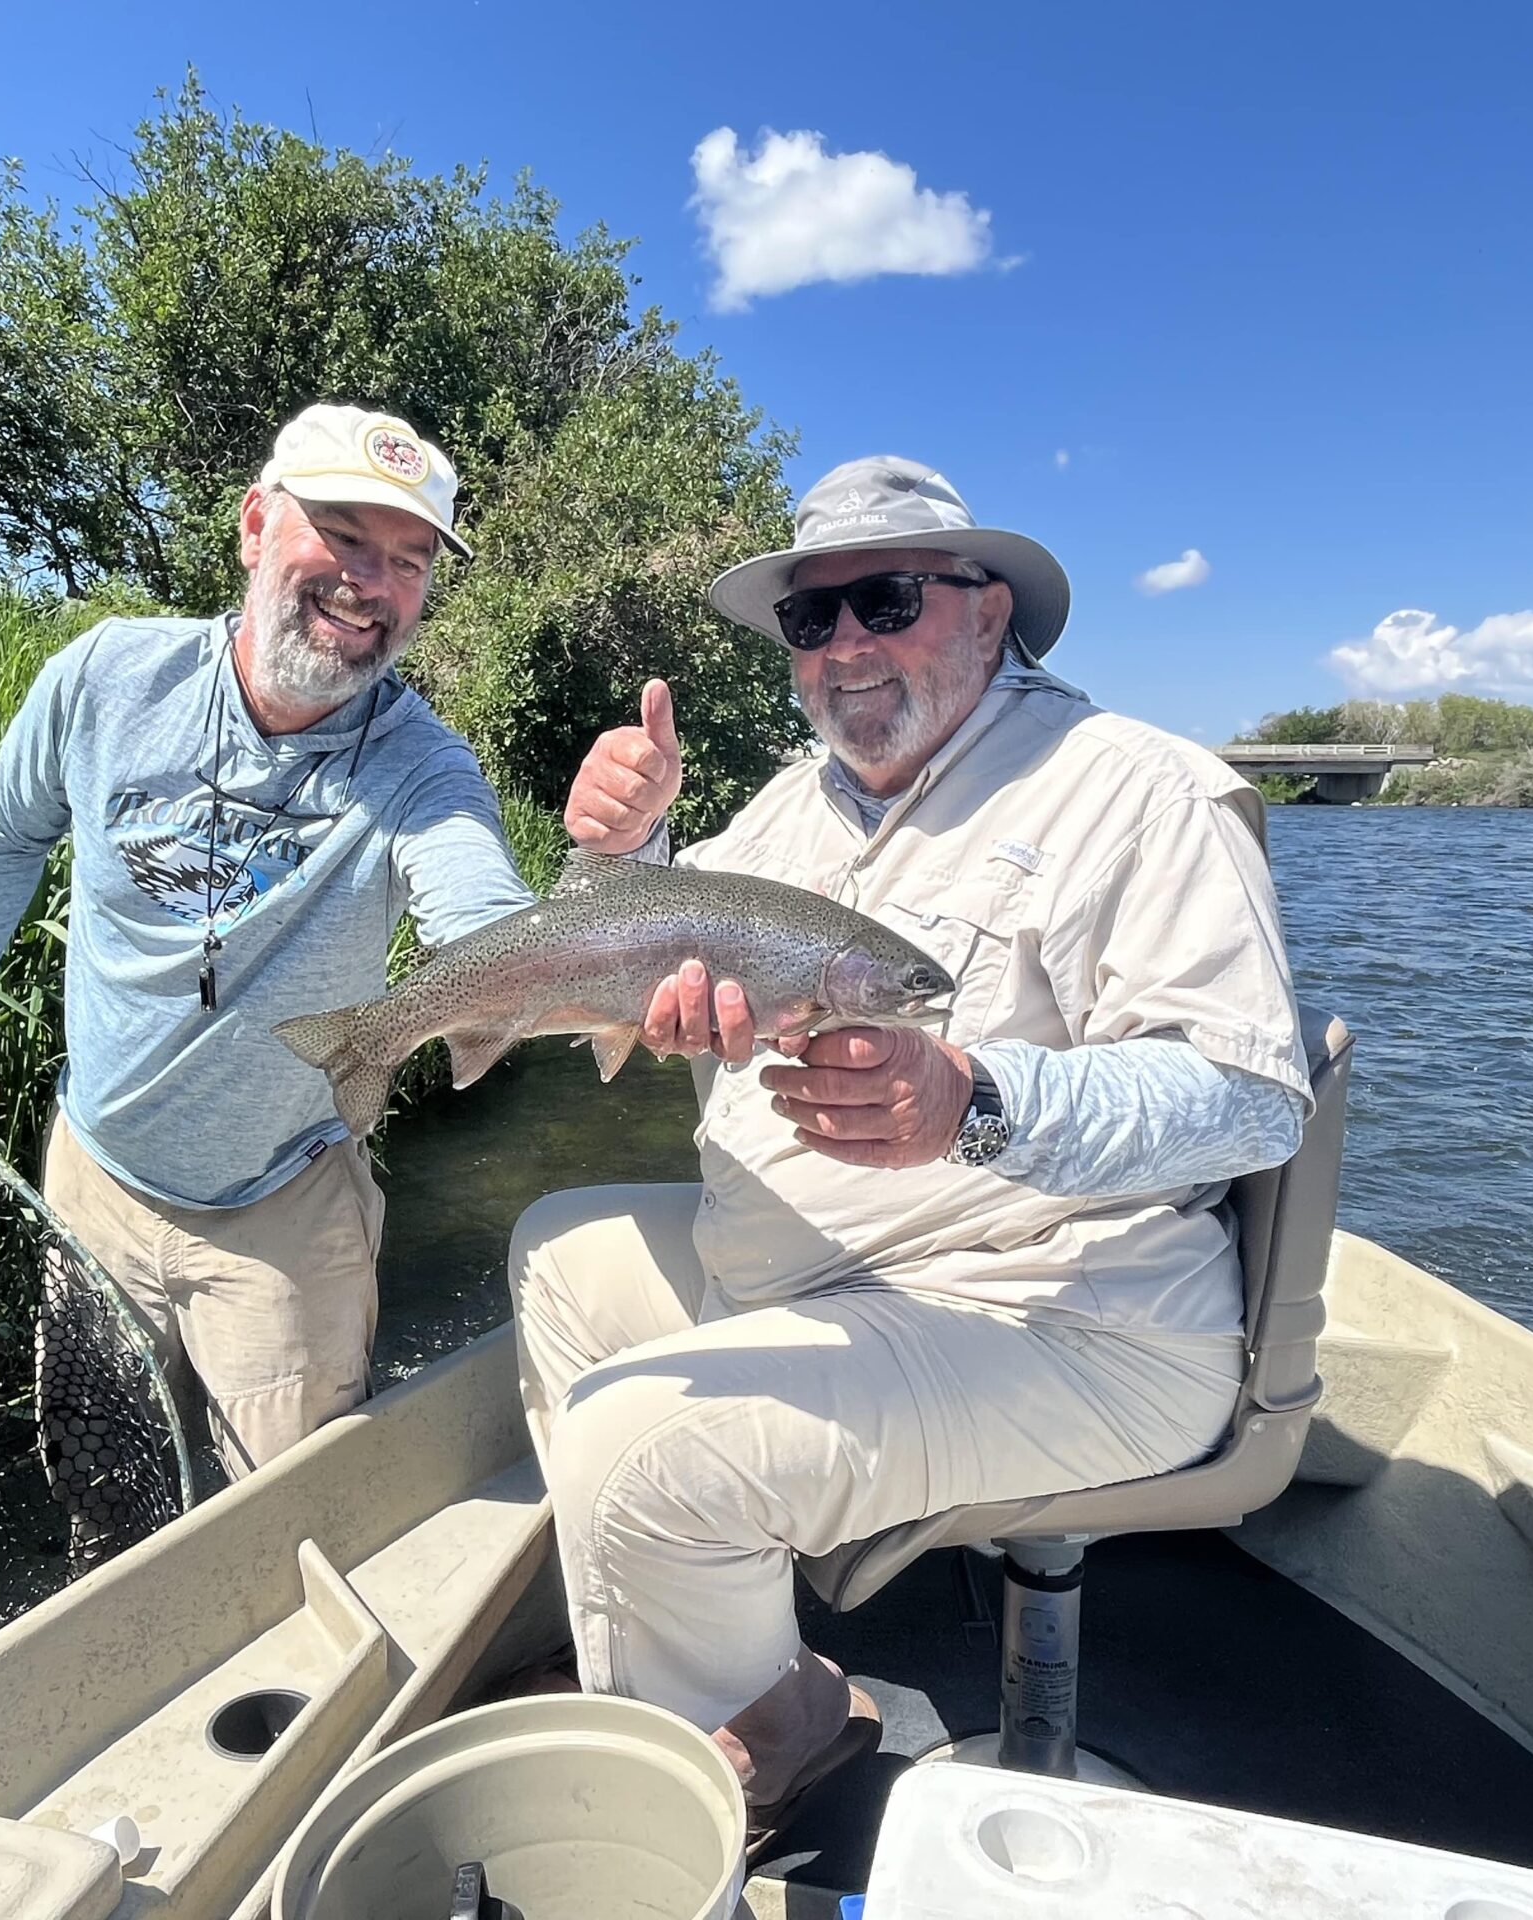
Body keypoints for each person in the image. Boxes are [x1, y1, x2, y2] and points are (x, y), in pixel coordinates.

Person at [519, 455, 1313, 1843]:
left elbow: (1252, 1098)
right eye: (809, 622)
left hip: (1064, 1316)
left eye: (882, 602)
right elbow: (623, 960)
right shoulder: (786, 810)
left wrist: (980, 1100)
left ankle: (690, 1799)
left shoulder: (1141, 792)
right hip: (823, 1272)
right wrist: (619, 858)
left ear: (989, 613)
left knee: (635, 1449)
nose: (844, 649)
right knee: (561, 1255)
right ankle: (770, 1695)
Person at [0, 404, 536, 1477]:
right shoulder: (106, 679)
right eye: (340, 534)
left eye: (408, 561)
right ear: (253, 526)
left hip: (282, 1212)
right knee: (101, 1483)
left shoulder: (424, 769)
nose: (370, 581)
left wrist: (623, 881)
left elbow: (481, 922)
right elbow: (3, 839)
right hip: (92, 1177)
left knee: (288, 1524)